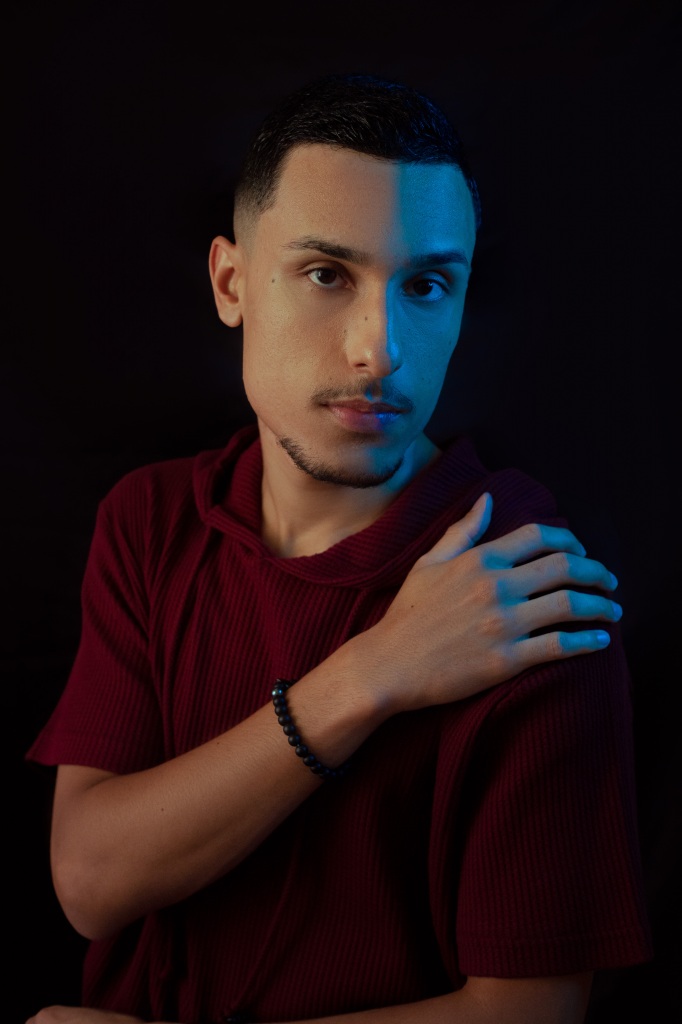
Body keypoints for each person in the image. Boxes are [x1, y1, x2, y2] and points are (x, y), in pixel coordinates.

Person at [25, 73, 652, 1024]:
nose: (379, 349)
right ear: (232, 284)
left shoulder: (523, 588)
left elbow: (529, 1013)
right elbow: (91, 883)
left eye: (426, 285)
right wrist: (374, 674)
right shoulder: (152, 520)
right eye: (327, 274)